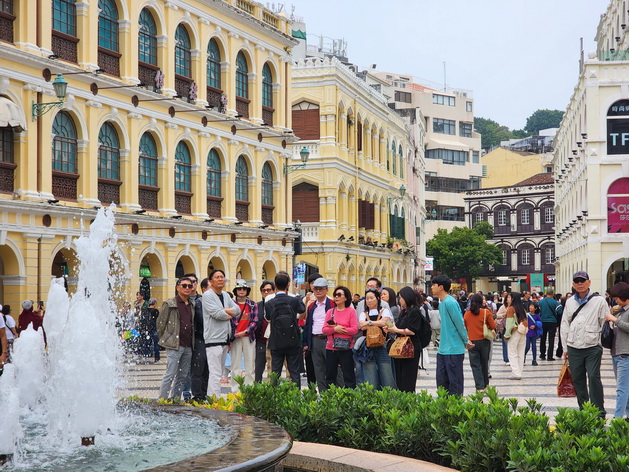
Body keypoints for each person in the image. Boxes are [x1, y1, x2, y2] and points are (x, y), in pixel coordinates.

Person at [561, 271, 608, 417]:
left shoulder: (599, 301)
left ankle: (598, 412)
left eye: (582, 281)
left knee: (594, 377)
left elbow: (605, 323)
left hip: (592, 346)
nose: (580, 284)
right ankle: (584, 411)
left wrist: (601, 344)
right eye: (577, 281)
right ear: (573, 284)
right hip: (574, 346)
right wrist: (565, 347)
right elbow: (565, 324)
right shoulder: (570, 302)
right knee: (578, 379)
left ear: (589, 282)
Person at [203, 269, 240, 397]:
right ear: (211, 281)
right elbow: (217, 314)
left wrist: (224, 310)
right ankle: (214, 399)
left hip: (225, 338)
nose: (220, 279)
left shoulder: (225, 295)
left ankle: (213, 397)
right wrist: (228, 313)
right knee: (215, 373)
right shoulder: (207, 295)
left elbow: (237, 310)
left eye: (222, 277)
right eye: (217, 277)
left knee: (219, 372)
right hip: (213, 339)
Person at [156, 277, 195, 400]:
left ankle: (175, 400)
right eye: (184, 285)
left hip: (188, 345)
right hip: (174, 345)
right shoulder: (170, 303)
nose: (187, 288)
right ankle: (162, 401)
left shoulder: (192, 304)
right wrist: (168, 338)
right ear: (178, 287)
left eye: (190, 286)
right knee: (170, 374)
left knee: (182, 376)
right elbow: (160, 324)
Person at [432, 275, 471, 395]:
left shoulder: (450, 302)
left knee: (455, 385)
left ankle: (456, 407)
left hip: (454, 349)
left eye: (433, 285)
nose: (431, 287)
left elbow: (459, 323)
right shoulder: (442, 303)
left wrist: (466, 340)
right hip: (443, 350)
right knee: (442, 385)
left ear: (441, 287)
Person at [266, 272, 306, 386]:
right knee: (294, 371)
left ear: (275, 284)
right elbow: (302, 309)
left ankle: (274, 394)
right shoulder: (293, 300)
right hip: (292, 340)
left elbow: (268, 318)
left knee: (275, 372)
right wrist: (298, 296)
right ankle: (295, 394)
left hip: (276, 340)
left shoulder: (269, 303)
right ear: (288, 284)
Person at [384, 287, 425, 392]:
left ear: (407, 298)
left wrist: (396, 330)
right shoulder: (404, 311)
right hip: (400, 349)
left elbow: (412, 331)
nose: (399, 300)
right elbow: (398, 326)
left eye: (401, 298)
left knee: (408, 379)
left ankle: (408, 399)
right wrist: (389, 326)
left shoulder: (414, 311)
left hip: (411, 348)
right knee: (400, 379)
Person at [358, 288, 396, 389]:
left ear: (378, 298)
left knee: (387, 376)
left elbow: (388, 323)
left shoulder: (385, 311)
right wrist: (379, 322)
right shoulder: (363, 313)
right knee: (370, 379)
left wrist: (369, 322)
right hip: (368, 349)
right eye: (367, 298)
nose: (369, 300)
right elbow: (362, 326)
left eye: (371, 298)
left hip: (383, 347)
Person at [322, 286, 358, 388]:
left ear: (346, 297)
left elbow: (354, 329)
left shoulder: (351, 311)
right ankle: (330, 396)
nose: (336, 297)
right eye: (335, 295)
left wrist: (341, 329)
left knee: (348, 375)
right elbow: (324, 330)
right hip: (331, 348)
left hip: (346, 348)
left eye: (339, 295)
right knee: (330, 376)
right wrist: (335, 329)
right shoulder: (330, 312)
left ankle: (349, 396)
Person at [302, 277, 334, 392]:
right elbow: (308, 325)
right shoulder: (311, 306)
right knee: (318, 369)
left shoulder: (332, 304)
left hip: (329, 339)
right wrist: (306, 343)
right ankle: (323, 394)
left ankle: (335, 394)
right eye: (316, 289)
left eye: (321, 289)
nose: (318, 291)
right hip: (315, 339)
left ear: (326, 289)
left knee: (332, 368)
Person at [230, 280, 259, 391]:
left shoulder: (253, 304)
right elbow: (228, 321)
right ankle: (235, 390)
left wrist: (246, 331)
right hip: (235, 338)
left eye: (244, 289)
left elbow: (255, 321)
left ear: (247, 291)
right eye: (239, 289)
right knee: (235, 366)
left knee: (250, 365)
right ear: (235, 291)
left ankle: (249, 389)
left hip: (249, 338)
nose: (241, 291)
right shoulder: (231, 304)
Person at [606, 282, 629, 420]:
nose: (616, 301)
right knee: (625, 388)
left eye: (617, 298)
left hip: (625, 354)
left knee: (622, 389)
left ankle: (617, 419)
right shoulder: (621, 310)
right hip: (617, 352)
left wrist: (615, 320)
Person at [464, 293, 496, 391]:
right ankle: (485, 384)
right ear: (481, 302)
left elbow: (465, 327)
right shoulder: (486, 312)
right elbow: (493, 326)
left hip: (472, 341)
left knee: (475, 365)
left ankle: (479, 386)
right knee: (484, 363)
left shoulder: (467, 314)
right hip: (484, 341)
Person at [190, 279, 210, 400]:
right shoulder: (198, 303)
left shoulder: (218, 302)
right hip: (200, 339)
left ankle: (204, 394)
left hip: (212, 341)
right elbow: (201, 321)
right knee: (198, 368)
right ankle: (197, 396)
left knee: (208, 370)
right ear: (204, 289)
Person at [504, 292, 527, 380]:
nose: (507, 299)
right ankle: (519, 371)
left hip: (514, 332)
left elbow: (509, 324)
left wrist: (507, 335)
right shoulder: (522, 309)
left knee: (512, 352)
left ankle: (516, 372)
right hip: (522, 331)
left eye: (509, 297)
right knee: (520, 352)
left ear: (513, 299)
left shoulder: (511, 309)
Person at [255, 280, 275, 382]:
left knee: (273, 370)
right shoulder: (257, 306)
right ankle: (257, 388)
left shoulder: (277, 304)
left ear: (274, 291)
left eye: (269, 290)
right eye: (264, 290)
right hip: (260, 341)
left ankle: (272, 389)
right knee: (258, 369)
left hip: (274, 342)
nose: (266, 292)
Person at [538, 289, 560, 361]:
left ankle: (542, 354)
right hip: (552, 322)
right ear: (553, 294)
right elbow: (559, 312)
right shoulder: (556, 303)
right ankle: (550, 356)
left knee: (542, 339)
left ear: (546, 293)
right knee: (551, 339)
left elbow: (537, 311)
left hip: (542, 321)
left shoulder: (540, 302)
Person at [496, 295, 509, 365]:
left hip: (514, 327)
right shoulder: (503, 307)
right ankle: (506, 358)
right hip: (505, 327)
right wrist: (504, 314)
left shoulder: (515, 307)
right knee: (505, 343)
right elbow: (497, 315)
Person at [146, 298, 161, 362]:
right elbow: (159, 320)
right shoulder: (156, 311)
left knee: (147, 343)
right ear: (155, 303)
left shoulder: (145, 310)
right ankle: (157, 358)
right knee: (156, 343)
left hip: (147, 329)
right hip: (154, 328)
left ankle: (147, 356)